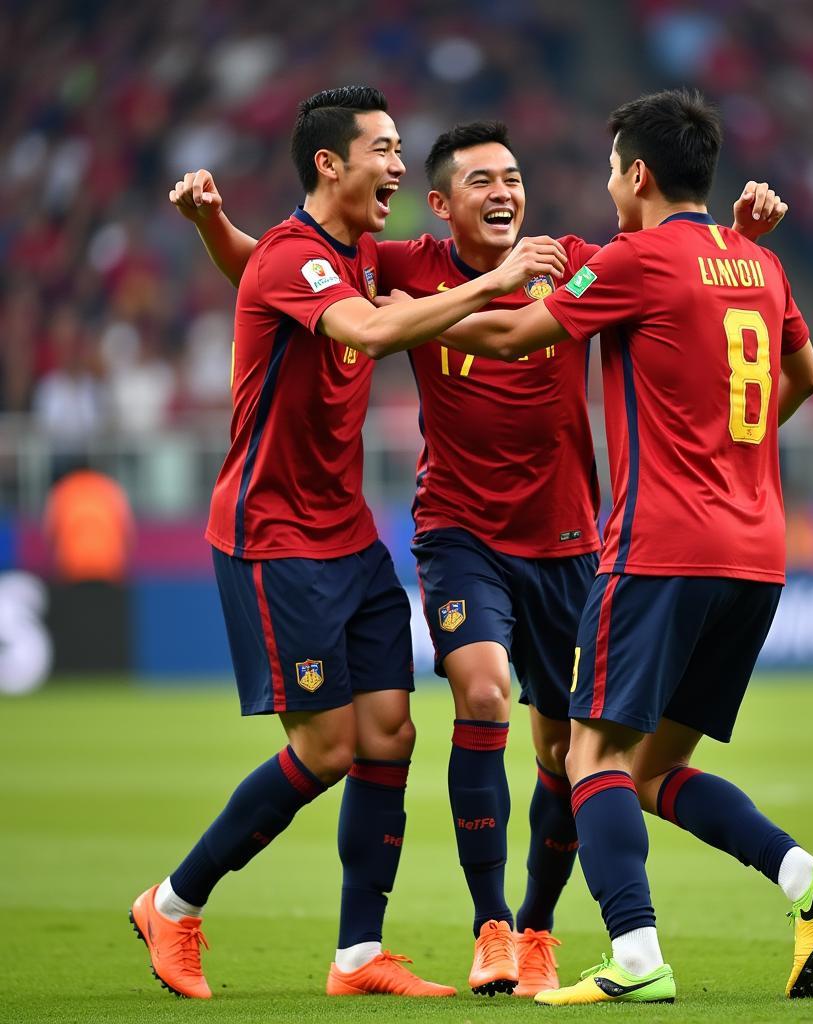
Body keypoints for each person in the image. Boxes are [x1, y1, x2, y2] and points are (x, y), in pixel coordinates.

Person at [171, 122, 788, 997]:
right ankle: (491, 926)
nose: (504, 192)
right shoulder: (404, 266)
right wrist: (213, 227)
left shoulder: (572, 260)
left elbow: (673, 276)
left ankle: (538, 928)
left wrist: (743, 238)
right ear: (442, 204)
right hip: (458, 532)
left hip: (571, 539)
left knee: (561, 748)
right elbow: (283, 282)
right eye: (483, 181)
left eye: (514, 176)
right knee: (484, 689)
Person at [131, 86, 567, 1002]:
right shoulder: (304, 257)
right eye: (385, 149)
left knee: (390, 732)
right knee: (328, 747)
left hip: (347, 535)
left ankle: (358, 955)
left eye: (405, 149)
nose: (401, 166)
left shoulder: (355, 252)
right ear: (331, 162)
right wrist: (490, 282)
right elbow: (361, 327)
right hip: (270, 536)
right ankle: (173, 903)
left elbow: (258, 269)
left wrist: (214, 227)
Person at [435, 89, 813, 1006]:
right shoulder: (759, 262)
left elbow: (514, 336)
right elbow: (806, 376)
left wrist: (399, 313)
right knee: (653, 768)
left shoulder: (635, 260)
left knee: (588, 758)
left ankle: (633, 954)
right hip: (757, 553)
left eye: (609, 170)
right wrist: (726, 448)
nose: (606, 187)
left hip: (660, 549)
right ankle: (802, 879)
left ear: (636, 174)